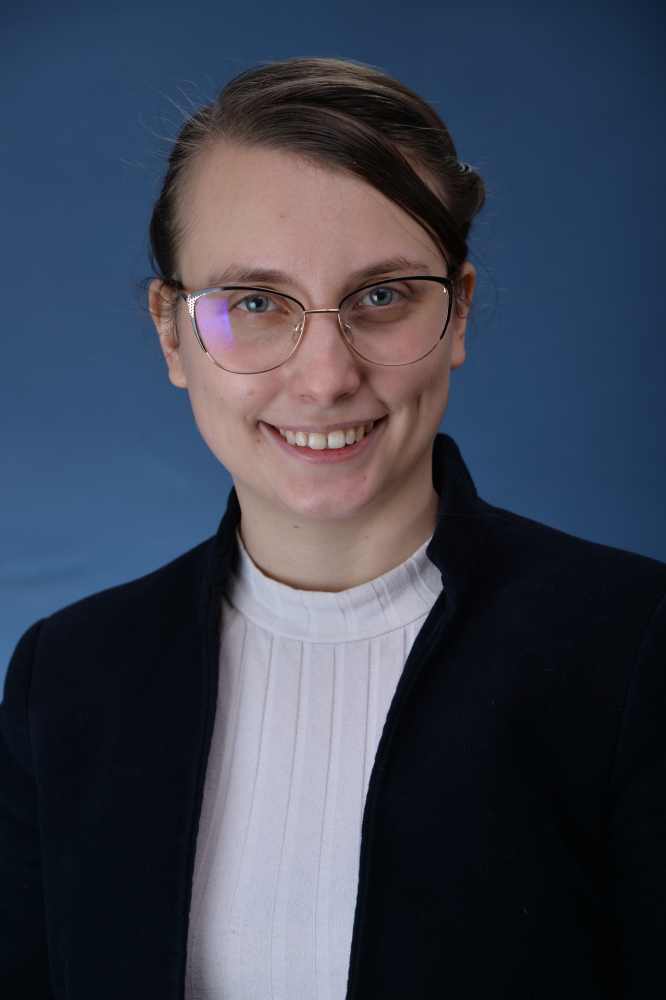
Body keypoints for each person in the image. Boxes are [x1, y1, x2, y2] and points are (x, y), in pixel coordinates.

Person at [1, 55, 664, 1000]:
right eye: (255, 304)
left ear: (459, 312)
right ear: (171, 332)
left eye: (382, 296)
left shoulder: (635, 647)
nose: (324, 379)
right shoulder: (66, 677)